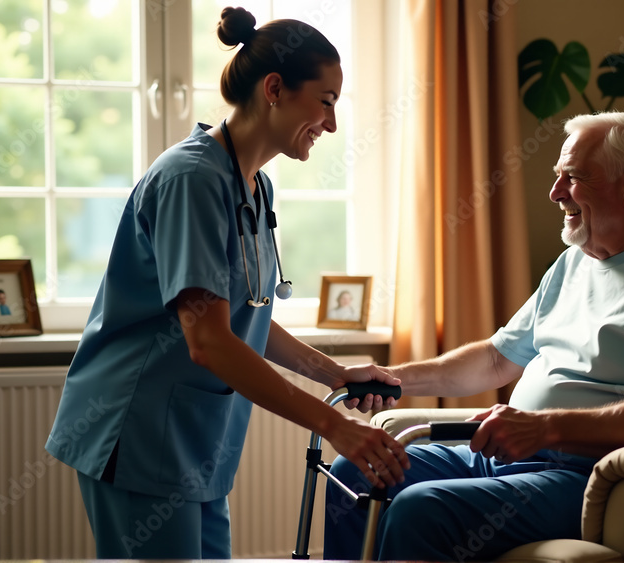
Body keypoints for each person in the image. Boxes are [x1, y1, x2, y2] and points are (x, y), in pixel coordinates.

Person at [45, 9, 408, 559]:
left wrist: (335, 373)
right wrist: (335, 426)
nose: (332, 124)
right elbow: (209, 341)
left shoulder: (250, 184)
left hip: (196, 443)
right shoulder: (192, 181)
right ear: (275, 89)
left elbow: (246, 317)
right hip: (138, 433)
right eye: (327, 100)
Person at [323, 112, 624, 561]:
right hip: (504, 457)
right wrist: (392, 378)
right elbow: (497, 359)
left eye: (572, 177)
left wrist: (544, 428)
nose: (555, 193)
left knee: (421, 510)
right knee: (356, 472)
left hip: (580, 475)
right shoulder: (575, 260)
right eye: (558, 177)